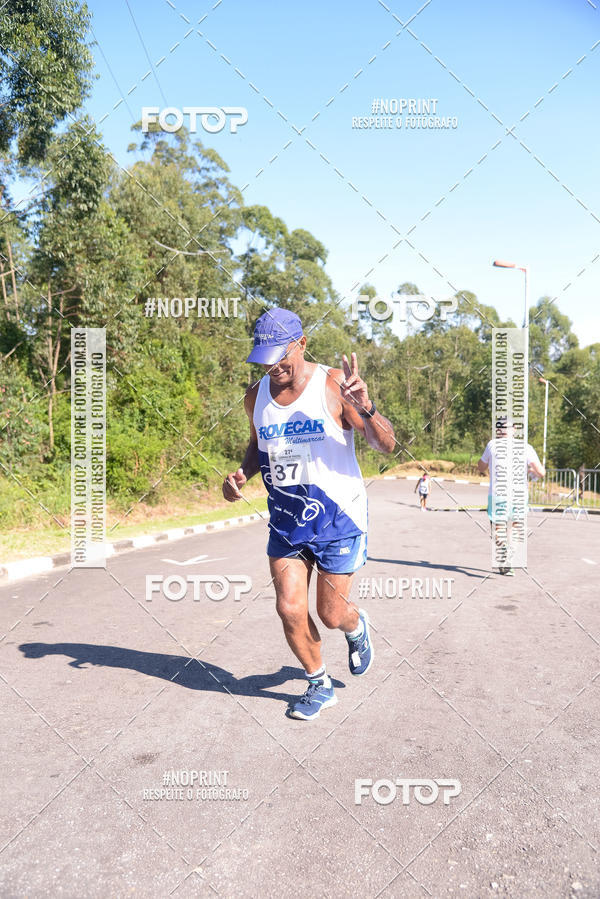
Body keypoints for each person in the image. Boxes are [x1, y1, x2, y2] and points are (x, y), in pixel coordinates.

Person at [222, 308, 396, 720]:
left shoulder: (334, 385)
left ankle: (355, 626)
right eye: (264, 359)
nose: (273, 367)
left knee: (331, 613)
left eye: (280, 356)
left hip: (339, 519)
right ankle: (319, 683)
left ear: (301, 344)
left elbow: (386, 446)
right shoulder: (255, 396)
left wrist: (366, 407)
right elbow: (259, 444)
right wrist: (242, 474)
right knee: (289, 607)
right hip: (286, 521)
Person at [477, 423, 545, 576]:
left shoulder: (492, 445)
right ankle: (509, 558)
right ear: (514, 429)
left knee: (498, 526)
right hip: (519, 495)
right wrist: (530, 469)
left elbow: (481, 467)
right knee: (516, 526)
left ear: (498, 430)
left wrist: (484, 463)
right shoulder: (526, 447)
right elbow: (541, 472)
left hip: (498, 494)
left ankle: (504, 551)